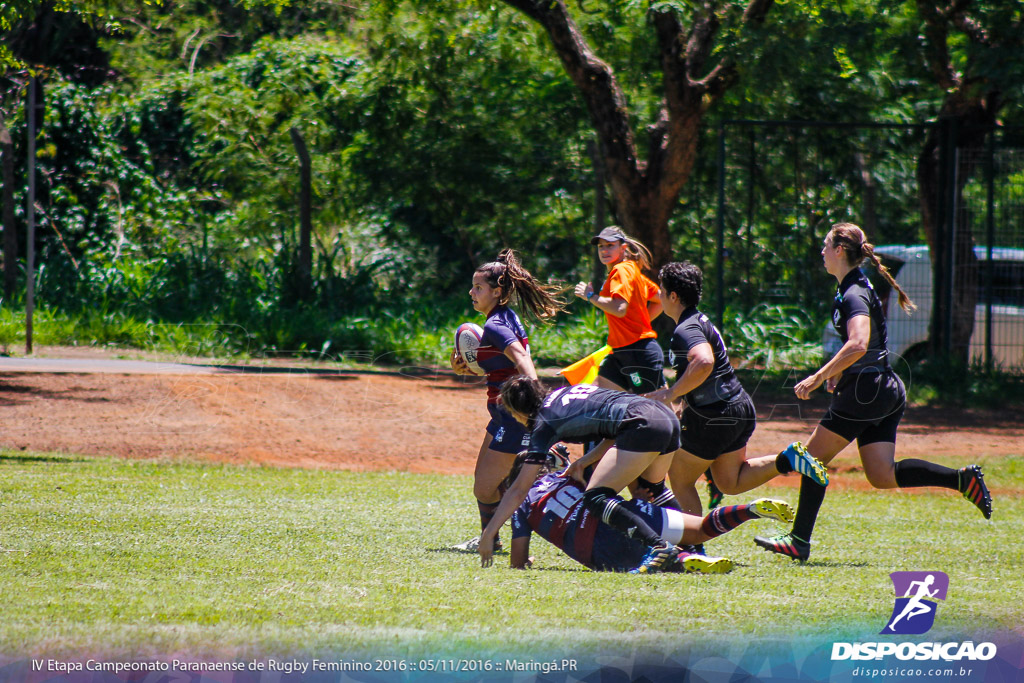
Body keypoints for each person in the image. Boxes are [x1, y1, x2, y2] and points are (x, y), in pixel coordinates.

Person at [754, 223, 993, 562]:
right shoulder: (851, 287)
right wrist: (842, 371)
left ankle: (798, 540)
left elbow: (859, 342)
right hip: (882, 388)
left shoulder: (852, 292)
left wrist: (821, 375)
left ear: (840, 251)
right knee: (882, 475)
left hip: (866, 391)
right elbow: (864, 348)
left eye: (826, 246)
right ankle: (962, 480)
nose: (821, 252)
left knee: (811, 459)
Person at [646, 262, 829, 516]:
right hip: (738, 406)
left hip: (714, 414)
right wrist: (685, 405)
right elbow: (705, 372)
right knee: (729, 481)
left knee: (679, 477)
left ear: (673, 296)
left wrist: (671, 393)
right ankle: (787, 459)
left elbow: (705, 361)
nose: (658, 295)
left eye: (661, 290)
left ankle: (692, 545)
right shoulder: (699, 320)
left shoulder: (684, 329)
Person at [479, 376, 689, 573]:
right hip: (663, 415)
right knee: (654, 490)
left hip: (641, 422)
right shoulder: (563, 394)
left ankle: (658, 546)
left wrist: (489, 533)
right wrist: (582, 462)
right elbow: (612, 427)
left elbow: (519, 489)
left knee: (596, 497)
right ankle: (693, 549)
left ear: (518, 411)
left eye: (512, 414)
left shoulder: (543, 424)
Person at [481, 450, 795, 574]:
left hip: (593, 543)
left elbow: (518, 562)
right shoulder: (567, 475)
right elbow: (600, 491)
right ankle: (751, 509)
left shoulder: (520, 502)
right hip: (621, 510)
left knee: (650, 561)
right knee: (699, 528)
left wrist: (527, 561)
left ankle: (684, 559)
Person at [449, 250, 566, 552]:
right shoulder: (503, 317)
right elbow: (503, 365)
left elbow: (522, 360)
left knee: (485, 487)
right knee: (483, 483)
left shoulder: (495, 326)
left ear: (497, 292)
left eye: (478, 288)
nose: (471, 292)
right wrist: (469, 365)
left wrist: (536, 402)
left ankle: (544, 463)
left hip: (512, 416)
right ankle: (493, 536)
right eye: (472, 286)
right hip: (502, 415)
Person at [574, 226, 666, 395]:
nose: (604, 250)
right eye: (601, 246)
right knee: (600, 398)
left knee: (658, 406)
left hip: (638, 353)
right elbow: (660, 300)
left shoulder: (621, 271)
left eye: (610, 245)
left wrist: (590, 296)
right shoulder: (631, 270)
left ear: (623, 248)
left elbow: (619, 308)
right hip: (621, 351)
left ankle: (681, 422)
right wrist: (640, 323)